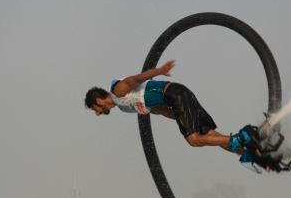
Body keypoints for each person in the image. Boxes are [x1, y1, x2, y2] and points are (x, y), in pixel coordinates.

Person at [84, 60, 260, 156]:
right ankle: (255, 153)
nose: (98, 114)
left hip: (174, 94)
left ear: (99, 101)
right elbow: (157, 110)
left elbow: (136, 79)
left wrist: (158, 71)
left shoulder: (117, 91)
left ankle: (240, 137)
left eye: (95, 109)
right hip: (177, 99)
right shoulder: (124, 107)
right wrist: (181, 117)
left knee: (194, 140)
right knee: (210, 136)